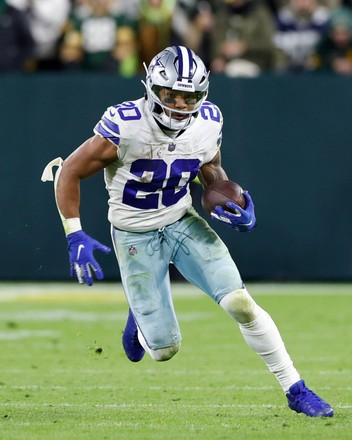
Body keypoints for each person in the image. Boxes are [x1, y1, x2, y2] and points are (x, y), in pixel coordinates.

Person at [42, 45, 334, 418]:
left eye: (190, 96)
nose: (181, 104)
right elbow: (69, 170)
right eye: (172, 94)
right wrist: (73, 232)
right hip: (134, 235)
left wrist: (229, 198)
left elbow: (209, 168)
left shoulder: (209, 121)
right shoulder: (125, 123)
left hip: (181, 220)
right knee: (164, 350)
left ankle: (295, 388)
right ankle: (140, 312)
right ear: (153, 88)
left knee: (240, 303)